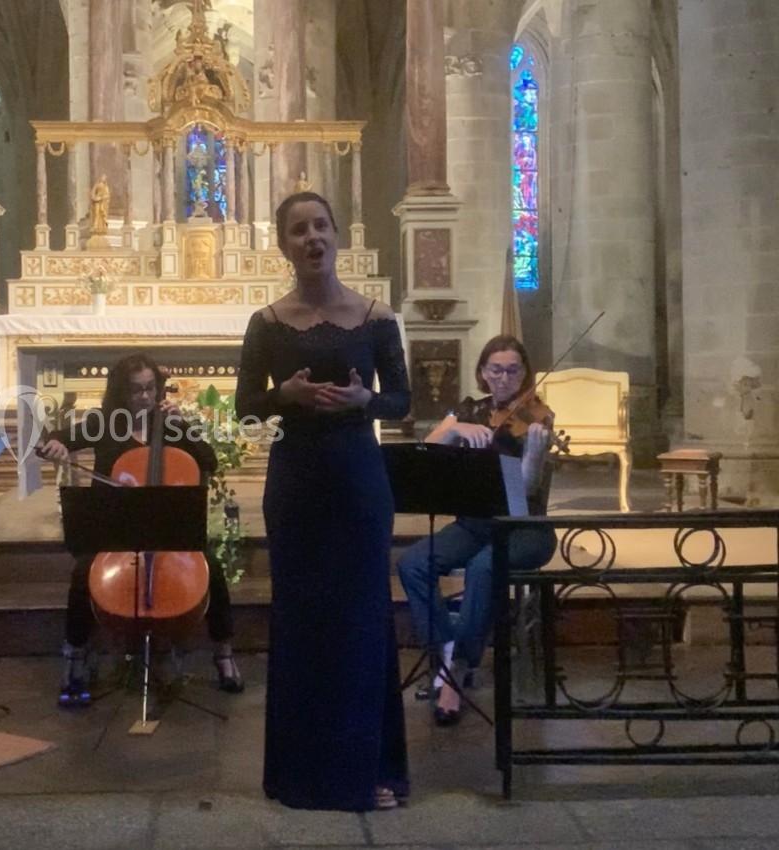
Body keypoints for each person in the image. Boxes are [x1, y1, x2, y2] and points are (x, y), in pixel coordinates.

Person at [236, 191, 411, 812]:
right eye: (297, 230)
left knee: (363, 622)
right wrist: (284, 394)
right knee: (303, 622)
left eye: (320, 227)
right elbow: (243, 408)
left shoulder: (377, 318)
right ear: (283, 246)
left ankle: (369, 769)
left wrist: (367, 403)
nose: (311, 238)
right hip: (296, 484)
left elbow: (402, 401)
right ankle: (301, 775)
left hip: (360, 482)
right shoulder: (267, 322)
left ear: (337, 237)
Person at [38, 353, 244, 706]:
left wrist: (186, 429)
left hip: (167, 531)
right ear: (121, 392)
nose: (145, 397)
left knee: (212, 568)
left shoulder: (172, 425)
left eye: (150, 389)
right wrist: (55, 444)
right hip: (114, 530)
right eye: (136, 391)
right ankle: (75, 654)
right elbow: (57, 439)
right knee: (83, 572)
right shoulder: (106, 423)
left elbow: (207, 460)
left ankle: (223, 653)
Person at [397, 335, 557, 725]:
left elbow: (527, 489)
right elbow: (427, 447)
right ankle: (446, 648)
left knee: (484, 567)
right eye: (496, 369)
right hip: (475, 522)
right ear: (483, 373)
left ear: (525, 373)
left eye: (513, 370)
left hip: (524, 528)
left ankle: (456, 672)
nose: (504, 378)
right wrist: (457, 430)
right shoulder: (469, 409)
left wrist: (535, 453)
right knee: (414, 563)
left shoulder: (538, 416)